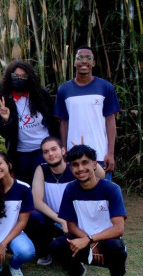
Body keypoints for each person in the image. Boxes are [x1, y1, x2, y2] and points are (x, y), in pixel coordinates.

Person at [51, 145, 127, 276]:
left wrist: (91, 239)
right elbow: (71, 225)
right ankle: (76, 271)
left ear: (94, 164)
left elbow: (118, 228)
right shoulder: (71, 189)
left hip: (107, 239)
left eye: (85, 162)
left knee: (116, 247)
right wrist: (86, 240)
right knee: (56, 245)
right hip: (82, 236)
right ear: (70, 168)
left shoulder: (111, 189)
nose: (80, 168)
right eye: (75, 165)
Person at [26, 136, 105, 266]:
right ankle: (44, 252)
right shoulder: (41, 169)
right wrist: (61, 220)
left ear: (63, 151)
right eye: (46, 151)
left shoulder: (74, 167)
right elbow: (37, 201)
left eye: (53, 149)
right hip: (54, 218)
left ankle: (80, 250)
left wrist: (87, 157)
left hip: (76, 218)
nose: (50, 154)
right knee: (33, 216)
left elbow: (101, 175)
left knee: (63, 246)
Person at [54, 46, 120, 180]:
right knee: (77, 196)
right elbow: (63, 122)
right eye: (80, 58)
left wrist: (110, 153)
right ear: (74, 62)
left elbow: (110, 120)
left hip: (100, 154)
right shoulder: (64, 90)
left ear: (93, 63)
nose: (84, 61)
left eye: (88, 58)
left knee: (102, 196)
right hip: (74, 154)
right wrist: (63, 150)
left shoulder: (105, 87)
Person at [0, 60, 58, 185]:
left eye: (23, 76)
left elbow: (53, 122)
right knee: (25, 186)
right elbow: (3, 133)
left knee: (44, 184)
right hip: (20, 152)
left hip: (43, 149)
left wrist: (58, 145)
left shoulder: (40, 95)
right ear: (9, 77)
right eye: (15, 76)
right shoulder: (4, 99)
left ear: (29, 77)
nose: (19, 79)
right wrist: (6, 120)